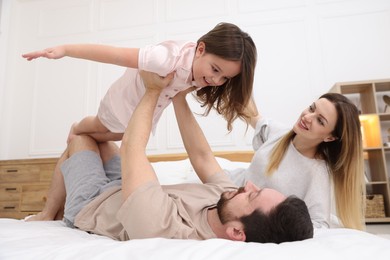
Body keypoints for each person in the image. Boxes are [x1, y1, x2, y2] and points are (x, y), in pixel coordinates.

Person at [27, 71, 313, 244]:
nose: (248, 186)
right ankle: (52, 211)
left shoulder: (166, 231)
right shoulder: (225, 201)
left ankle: (53, 214)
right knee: (99, 139)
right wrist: (178, 97)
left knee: (81, 137)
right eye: (256, 188)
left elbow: (132, 148)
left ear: (237, 232)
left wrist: (153, 89)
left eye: (252, 196)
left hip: (93, 204)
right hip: (121, 190)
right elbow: (201, 156)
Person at [22, 22, 257, 143]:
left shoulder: (202, 68)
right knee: (101, 126)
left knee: (120, 136)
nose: (216, 80)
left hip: (145, 110)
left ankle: (87, 138)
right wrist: (65, 50)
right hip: (123, 102)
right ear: (201, 49)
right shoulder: (165, 58)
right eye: (215, 70)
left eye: (224, 78)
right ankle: (78, 128)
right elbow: (113, 54)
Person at [226, 93, 365, 230]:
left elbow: (319, 224)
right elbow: (252, 114)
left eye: (320, 121)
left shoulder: (317, 172)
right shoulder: (280, 132)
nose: (307, 117)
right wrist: (239, 82)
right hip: (227, 186)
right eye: (311, 108)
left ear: (330, 138)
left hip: (242, 212)